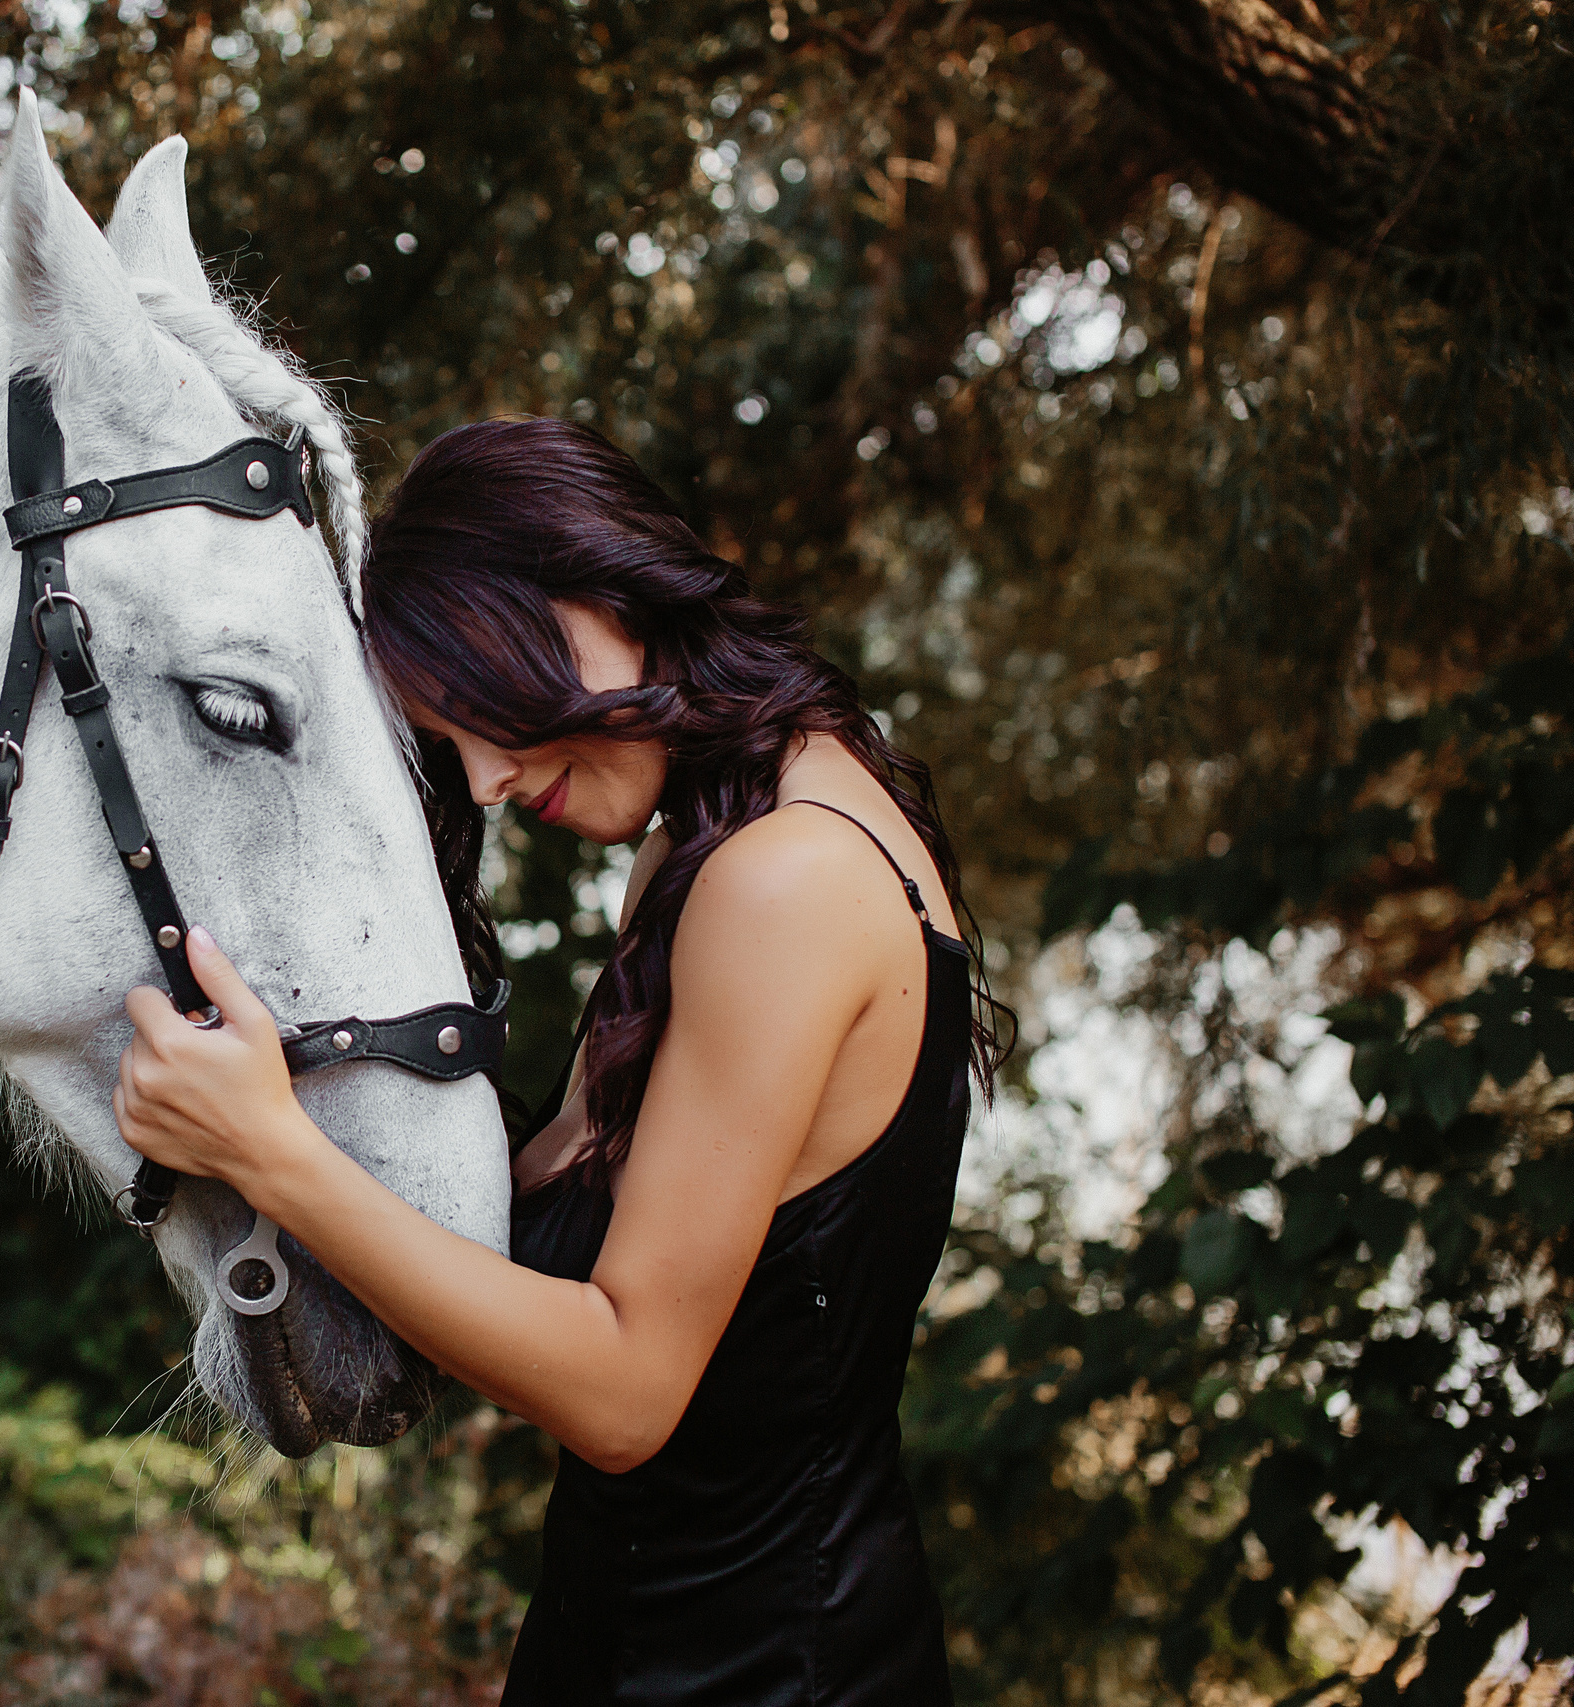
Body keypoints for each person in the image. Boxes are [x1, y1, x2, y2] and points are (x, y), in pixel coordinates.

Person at [113, 416, 1009, 1705]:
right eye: (446, 739)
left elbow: (624, 1387)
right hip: (646, 1647)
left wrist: (274, 1150)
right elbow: (527, 1214)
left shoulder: (783, 882)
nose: (477, 779)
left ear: (594, 595)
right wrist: (281, 1092)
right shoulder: (729, 828)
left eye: (480, 708)